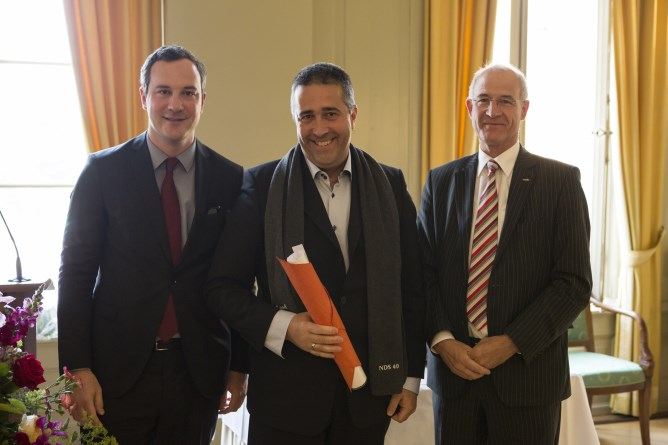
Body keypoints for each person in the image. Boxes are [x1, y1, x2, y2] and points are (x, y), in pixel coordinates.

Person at [206, 62, 425, 444]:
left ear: (353, 114)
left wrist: (409, 378)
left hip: (368, 400)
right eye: (306, 116)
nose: (319, 128)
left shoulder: (390, 184)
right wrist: (286, 326)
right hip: (285, 403)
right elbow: (222, 288)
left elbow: (413, 287)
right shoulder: (260, 186)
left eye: (330, 113)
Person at [58, 45, 248, 444]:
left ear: (203, 100)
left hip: (197, 374)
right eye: (163, 91)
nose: (175, 105)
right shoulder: (102, 172)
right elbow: (75, 275)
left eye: (188, 92)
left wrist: (239, 366)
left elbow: (239, 279)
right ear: (144, 96)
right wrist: (78, 368)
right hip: (117, 373)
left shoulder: (230, 178)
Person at [418, 63, 592, 444]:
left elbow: (573, 283)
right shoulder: (440, 182)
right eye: (483, 100)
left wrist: (511, 341)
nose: (492, 111)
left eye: (505, 101)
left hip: (528, 380)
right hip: (455, 379)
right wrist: (443, 340)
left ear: (524, 109)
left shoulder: (560, 182)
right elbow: (421, 274)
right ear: (469, 107)